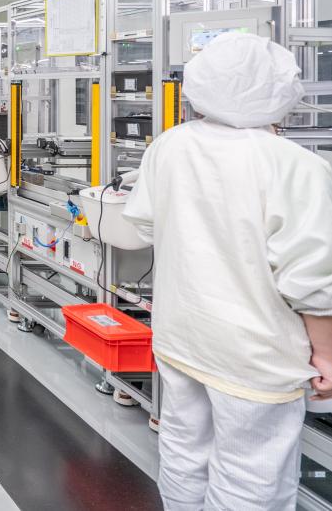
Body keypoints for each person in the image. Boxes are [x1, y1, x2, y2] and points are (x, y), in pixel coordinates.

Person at [123, 32, 332, 511]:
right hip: (254, 354)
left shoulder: (171, 145)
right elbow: (313, 281)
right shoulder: (294, 165)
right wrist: (326, 354)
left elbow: (144, 223)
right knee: (250, 475)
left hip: (181, 336)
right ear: (281, 91)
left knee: (182, 450)